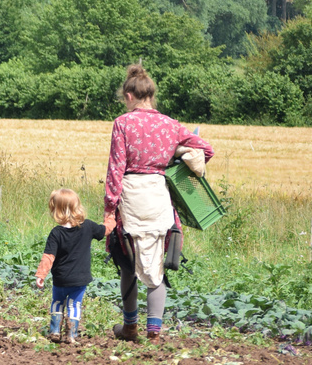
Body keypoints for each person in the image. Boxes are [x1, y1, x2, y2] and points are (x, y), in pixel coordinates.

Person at [104, 64, 214, 343]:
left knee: (128, 261)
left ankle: (130, 327)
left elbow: (116, 169)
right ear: (151, 95)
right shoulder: (171, 125)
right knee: (156, 262)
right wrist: (176, 158)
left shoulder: (123, 123)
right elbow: (207, 150)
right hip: (158, 194)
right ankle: (154, 329)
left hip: (131, 196)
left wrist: (109, 209)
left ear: (129, 96)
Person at [34, 188, 105, 344]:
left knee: (57, 302)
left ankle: (54, 331)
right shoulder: (88, 226)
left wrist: (41, 274)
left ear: (56, 210)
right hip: (79, 279)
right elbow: (104, 231)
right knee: (75, 305)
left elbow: (48, 256)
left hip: (61, 279)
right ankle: (71, 334)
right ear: (77, 206)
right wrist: (111, 218)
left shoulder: (56, 233)